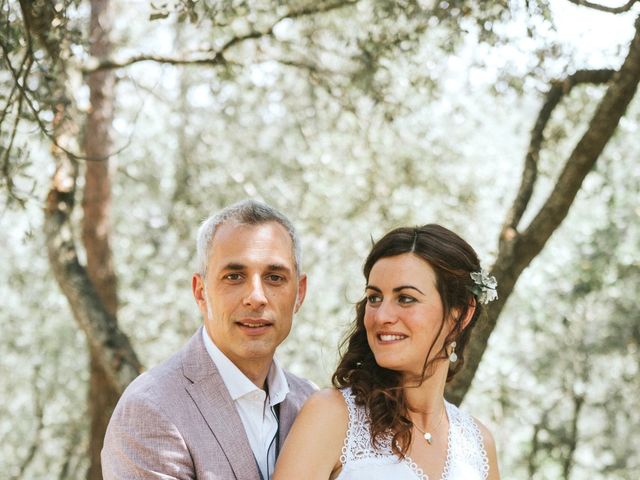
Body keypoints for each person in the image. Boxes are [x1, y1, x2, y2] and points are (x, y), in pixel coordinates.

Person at [102, 199, 316, 480]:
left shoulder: (311, 403)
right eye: (235, 276)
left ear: (299, 293)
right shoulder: (150, 409)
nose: (256, 297)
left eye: (274, 277)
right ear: (201, 292)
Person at [273, 224, 500, 480]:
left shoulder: (479, 445)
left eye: (405, 298)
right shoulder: (332, 415)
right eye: (374, 298)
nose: (382, 316)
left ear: (460, 313)